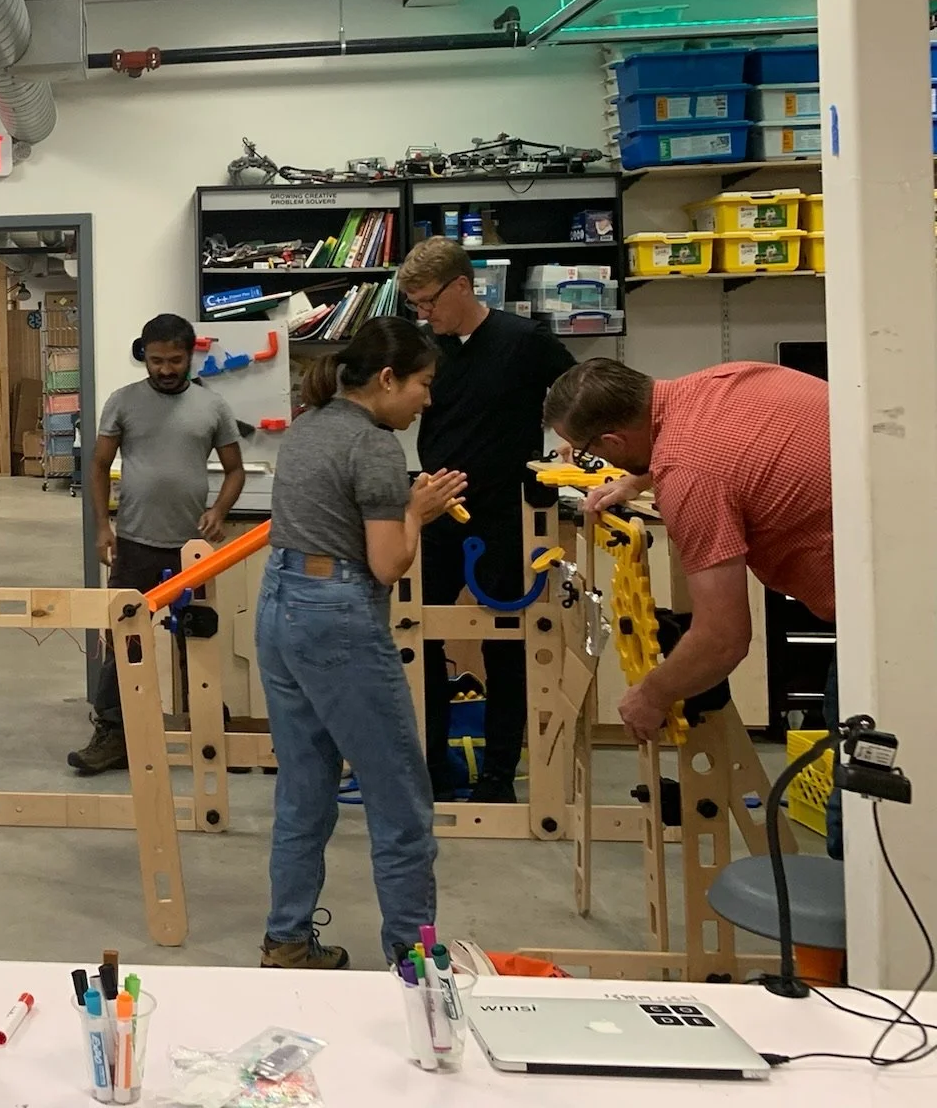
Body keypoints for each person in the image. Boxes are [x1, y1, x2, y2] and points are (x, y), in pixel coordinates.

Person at [260, 317, 465, 969]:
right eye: (423, 385)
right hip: (337, 618)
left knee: (304, 791)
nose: (426, 401)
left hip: (280, 605)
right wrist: (416, 511)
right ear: (387, 379)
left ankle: (287, 940)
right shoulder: (376, 447)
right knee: (401, 796)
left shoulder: (308, 425)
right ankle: (413, 961)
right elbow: (387, 565)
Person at [543, 358, 835, 747]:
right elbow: (721, 441)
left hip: (896, 615)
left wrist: (652, 694)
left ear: (612, 442)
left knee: (863, 776)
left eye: (583, 451)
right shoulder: (725, 378)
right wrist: (640, 478)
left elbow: (722, 639)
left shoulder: (689, 479)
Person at [397, 238, 574, 803]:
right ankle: (434, 768)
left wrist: (570, 450)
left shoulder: (524, 342)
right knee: (416, 637)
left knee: (508, 645)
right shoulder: (427, 351)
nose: (424, 314)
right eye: (415, 306)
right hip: (437, 515)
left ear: (462, 286)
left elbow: (581, 393)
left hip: (504, 517)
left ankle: (498, 778)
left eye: (428, 301)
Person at [70, 313, 244, 776]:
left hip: (192, 549)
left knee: (197, 636)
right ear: (143, 357)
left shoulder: (213, 407)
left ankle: (213, 730)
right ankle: (114, 733)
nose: (165, 369)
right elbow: (98, 464)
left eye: (175, 360)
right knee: (123, 637)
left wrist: (220, 512)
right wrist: (102, 528)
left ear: (191, 356)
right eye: (156, 360)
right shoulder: (122, 402)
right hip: (133, 543)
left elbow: (235, 470)